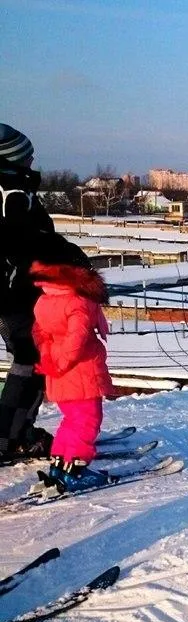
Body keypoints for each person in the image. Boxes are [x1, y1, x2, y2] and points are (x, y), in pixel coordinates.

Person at [0, 123, 94, 464]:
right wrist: (70, 260)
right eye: (28, 155)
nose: (32, 162)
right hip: (15, 293)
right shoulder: (10, 191)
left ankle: (12, 434)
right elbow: (25, 238)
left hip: (14, 291)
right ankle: (11, 437)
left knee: (29, 360)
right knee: (32, 360)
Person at [30, 257, 113, 493]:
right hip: (79, 373)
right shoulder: (78, 302)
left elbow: (40, 333)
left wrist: (50, 360)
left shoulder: (46, 300)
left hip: (58, 372)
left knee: (72, 420)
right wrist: (61, 363)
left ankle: (60, 464)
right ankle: (76, 470)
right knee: (88, 420)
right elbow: (76, 341)